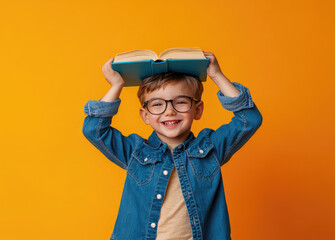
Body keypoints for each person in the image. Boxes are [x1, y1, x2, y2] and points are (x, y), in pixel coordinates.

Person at [82, 52, 263, 240]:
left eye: (181, 102)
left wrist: (217, 75)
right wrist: (116, 85)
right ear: (145, 115)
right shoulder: (135, 152)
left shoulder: (211, 149)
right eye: (157, 104)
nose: (169, 111)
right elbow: (94, 129)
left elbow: (249, 119)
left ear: (198, 110)